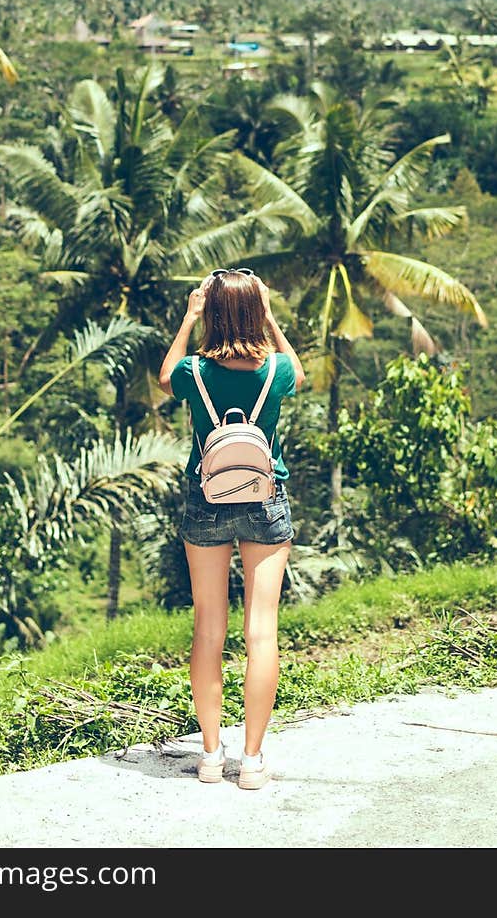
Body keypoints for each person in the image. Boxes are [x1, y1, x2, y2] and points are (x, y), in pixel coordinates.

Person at [158, 267, 305, 790]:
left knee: (209, 630)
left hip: (207, 497)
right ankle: (253, 760)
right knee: (261, 630)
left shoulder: (195, 372)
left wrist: (188, 317)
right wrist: (269, 317)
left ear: (213, 312)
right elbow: (299, 372)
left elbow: (164, 374)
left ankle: (212, 755)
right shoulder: (275, 371)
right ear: (254, 311)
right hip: (265, 499)